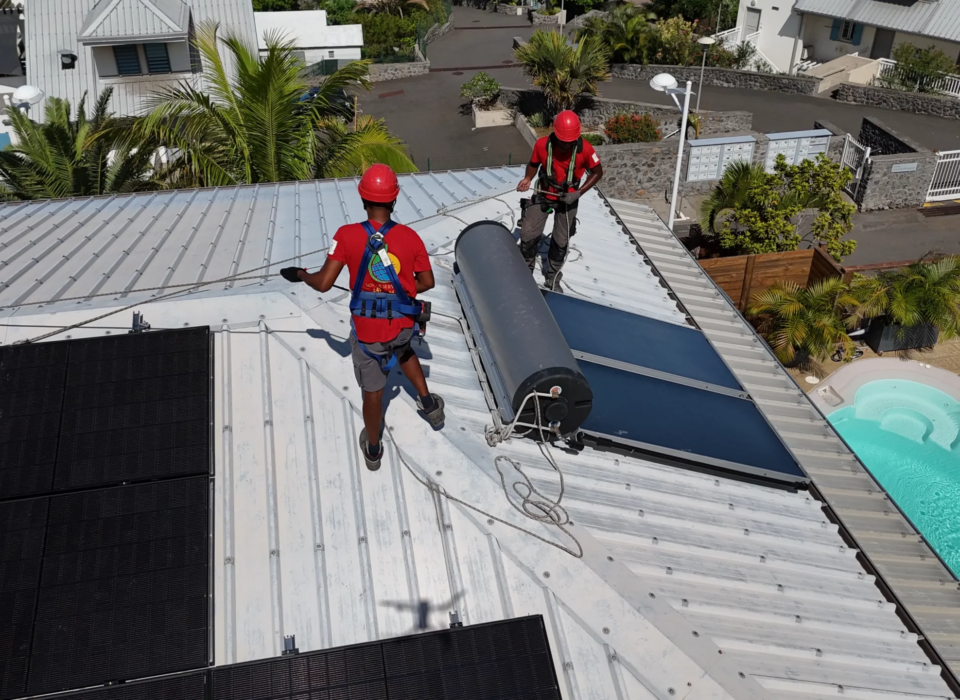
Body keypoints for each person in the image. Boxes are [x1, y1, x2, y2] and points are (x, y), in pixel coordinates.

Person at [281, 164, 444, 471]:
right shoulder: (410, 237)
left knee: (373, 393)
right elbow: (427, 282)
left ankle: (373, 449)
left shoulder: (346, 236)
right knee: (404, 350)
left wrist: (300, 274)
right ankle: (430, 406)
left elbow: (323, 283)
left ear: (362, 198)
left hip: (368, 335)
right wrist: (399, 291)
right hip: (402, 326)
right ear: (394, 199)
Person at [517, 110, 604, 290]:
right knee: (527, 235)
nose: (566, 145)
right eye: (563, 142)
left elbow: (597, 172)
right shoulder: (542, 145)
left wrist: (578, 193)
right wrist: (527, 178)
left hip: (568, 199)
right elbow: (533, 164)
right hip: (544, 194)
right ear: (555, 135)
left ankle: (553, 277)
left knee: (561, 240)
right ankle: (524, 272)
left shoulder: (586, 150)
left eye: (570, 142)